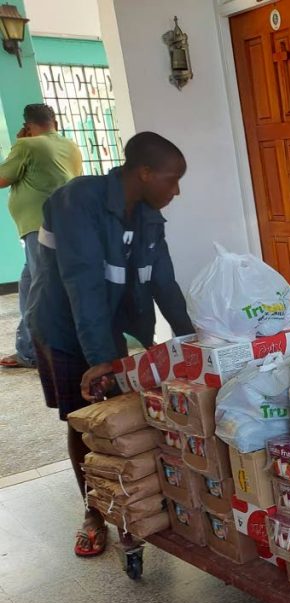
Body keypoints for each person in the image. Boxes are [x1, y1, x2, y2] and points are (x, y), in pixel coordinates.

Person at [26, 131, 195, 557]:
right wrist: (103, 361)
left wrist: (193, 339)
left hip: (108, 327)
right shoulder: (76, 203)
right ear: (144, 172)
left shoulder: (147, 214)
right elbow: (83, 286)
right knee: (83, 418)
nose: (176, 190)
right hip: (62, 328)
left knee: (120, 416)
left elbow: (163, 282)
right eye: (172, 180)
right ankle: (94, 512)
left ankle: (129, 501)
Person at [0, 103, 83, 368]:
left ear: (28, 125)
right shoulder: (70, 145)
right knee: (29, 285)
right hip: (64, 224)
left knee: (42, 288)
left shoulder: (27, 146)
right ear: (54, 122)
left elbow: (2, 178)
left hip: (39, 226)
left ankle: (45, 352)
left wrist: (20, 145)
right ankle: (27, 348)